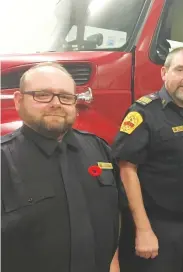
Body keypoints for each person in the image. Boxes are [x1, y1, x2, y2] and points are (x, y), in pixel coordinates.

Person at [1, 62, 123, 272]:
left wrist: (113, 264)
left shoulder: (99, 149)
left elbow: (113, 215)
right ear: (19, 101)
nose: (56, 103)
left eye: (66, 97)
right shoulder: (4, 160)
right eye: (42, 95)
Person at [112, 47, 183, 272]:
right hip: (158, 227)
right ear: (164, 72)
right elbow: (126, 169)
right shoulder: (144, 113)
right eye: (180, 70)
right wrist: (143, 229)